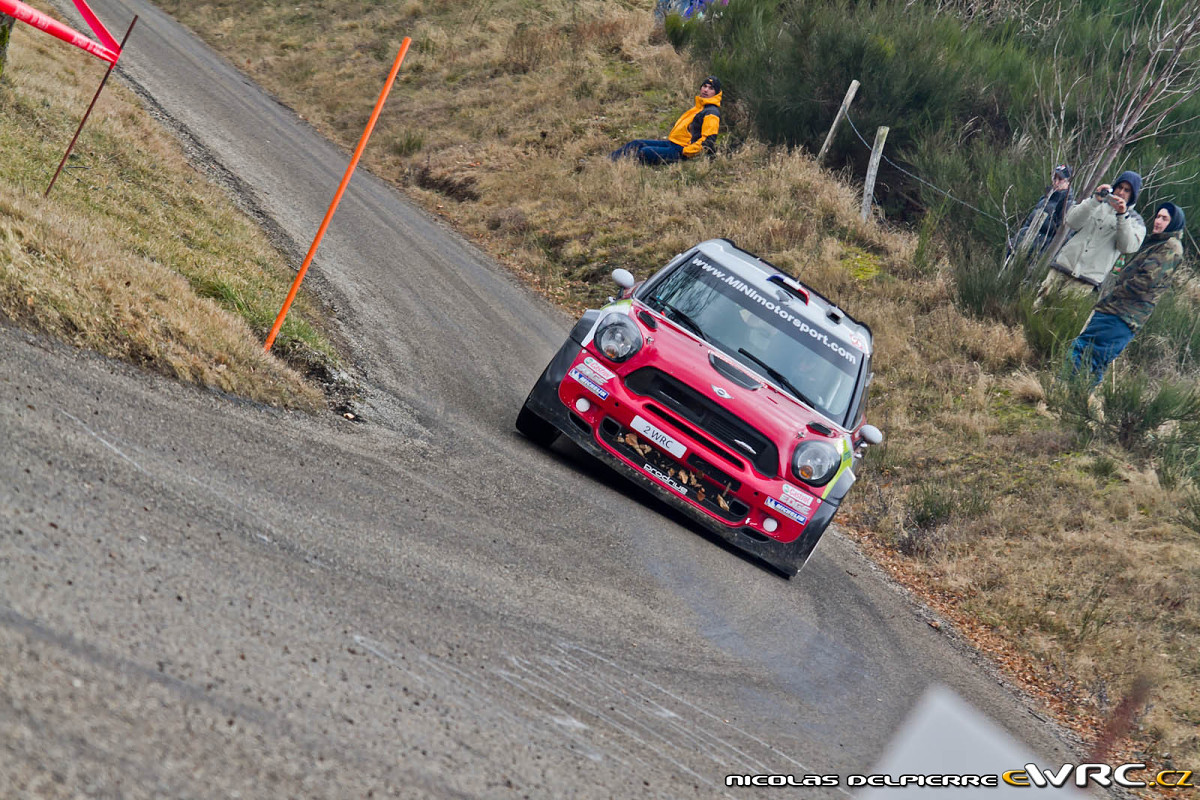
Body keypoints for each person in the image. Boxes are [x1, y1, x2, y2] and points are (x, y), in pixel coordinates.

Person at [1069, 202, 1185, 383]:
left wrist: (1117, 293)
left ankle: (1063, 391)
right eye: (1158, 216)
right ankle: (1078, 399)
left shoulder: (1170, 247)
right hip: (1119, 311)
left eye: (1165, 218)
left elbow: (1145, 282)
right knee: (1094, 359)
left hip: (1122, 313)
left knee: (1085, 351)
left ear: (1174, 222)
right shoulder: (1158, 243)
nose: (1158, 221)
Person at [1038, 170, 1146, 301]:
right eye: (1119, 187)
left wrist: (1122, 216)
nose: (1121, 192)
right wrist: (1094, 200)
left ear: (1133, 195)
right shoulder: (1096, 203)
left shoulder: (1136, 221)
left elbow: (1127, 247)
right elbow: (1071, 221)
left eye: (1127, 190)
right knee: (1037, 307)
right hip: (1062, 267)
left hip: (1086, 281)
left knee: (1059, 318)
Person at [610, 77, 722, 165]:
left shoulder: (711, 113)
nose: (706, 90)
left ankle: (623, 166)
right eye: (704, 86)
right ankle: (608, 161)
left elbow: (708, 140)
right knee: (636, 143)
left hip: (682, 151)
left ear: (716, 93)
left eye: (711, 88)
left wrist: (688, 152)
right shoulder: (699, 107)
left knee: (644, 152)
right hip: (672, 143)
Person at [1010, 164, 1073, 256]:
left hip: (1038, 256)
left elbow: (1062, 238)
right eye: (1054, 178)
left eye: (1060, 179)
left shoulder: (1068, 205)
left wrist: (1039, 252)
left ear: (1068, 182)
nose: (1056, 182)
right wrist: (1015, 240)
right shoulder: (1044, 199)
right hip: (1021, 249)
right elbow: (1028, 223)